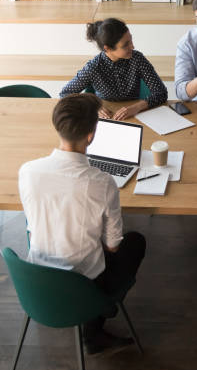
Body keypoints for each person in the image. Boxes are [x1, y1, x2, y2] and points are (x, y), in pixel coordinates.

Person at [18, 93, 146, 355]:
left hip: (36, 281)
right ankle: (97, 321)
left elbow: (34, 220)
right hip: (82, 286)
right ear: (91, 136)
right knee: (135, 242)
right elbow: (112, 247)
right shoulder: (102, 182)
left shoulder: (27, 171)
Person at [60, 18, 168, 120]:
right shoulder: (93, 67)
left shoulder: (137, 59)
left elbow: (161, 93)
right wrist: (93, 106)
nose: (133, 46)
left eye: (131, 40)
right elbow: (65, 94)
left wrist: (137, 107)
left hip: (135, 116)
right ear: (107, 48)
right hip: (107, 118)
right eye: (126, 45)